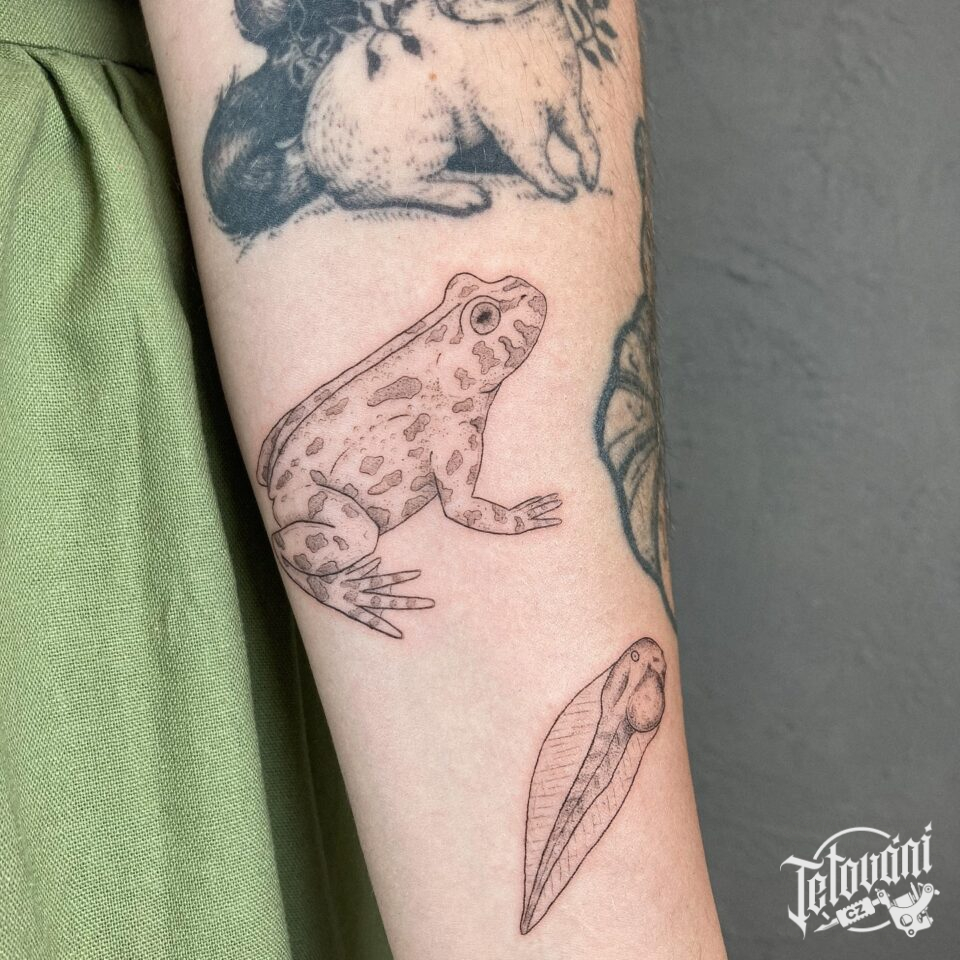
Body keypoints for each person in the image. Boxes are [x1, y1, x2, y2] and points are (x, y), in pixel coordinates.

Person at [0, 0, 726, 956]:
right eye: (480, 322)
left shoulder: (451, 401)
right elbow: (463, 507)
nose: (501, 322)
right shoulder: (448, 413)